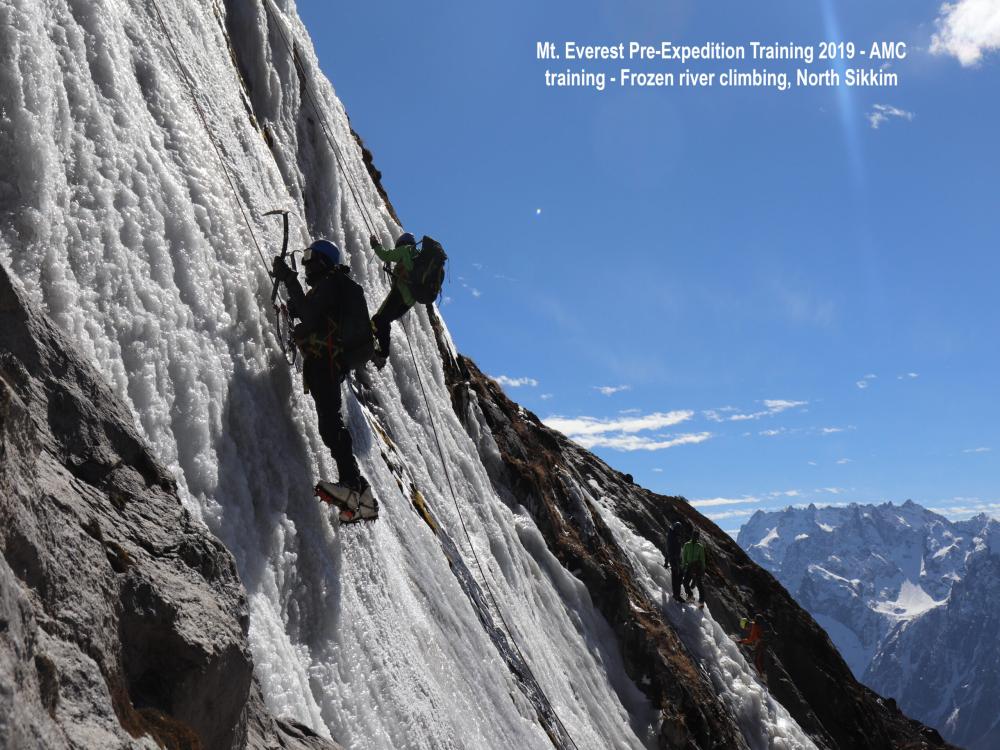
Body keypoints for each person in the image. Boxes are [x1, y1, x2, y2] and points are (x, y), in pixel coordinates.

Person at [272, 240, 378, 523]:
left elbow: (309, 313)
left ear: (322, 261)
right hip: (331, 363)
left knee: (330, 425)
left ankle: (351, 488)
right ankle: (364, 499)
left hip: (325, 363)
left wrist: (288, 278)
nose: (305, 263)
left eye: (309, 257)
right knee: (331, 423)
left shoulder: (331, 284)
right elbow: (311, 313)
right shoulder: (331, 289)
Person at [369, 232, 420, 367]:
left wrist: (375, 245)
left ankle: (374, 349)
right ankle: (380, 352)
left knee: (378, 319)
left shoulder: (405, 250)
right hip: (408, 303)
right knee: (384, 321)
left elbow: (385, 255)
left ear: (401, 243)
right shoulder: (418, 257)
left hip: (399, 294)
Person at [681, 529, 707, 605]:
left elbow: (702, 558)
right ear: (692, 536)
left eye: (697, 536)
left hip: (697, 567)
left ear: (698, 537)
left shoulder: (700, 546)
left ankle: (701, 601)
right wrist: (684, 565)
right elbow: (684, 556)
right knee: (685, 582)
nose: (695, 537)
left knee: (699, 585)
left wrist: (703, 569)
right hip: (689, 566)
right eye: (694, 535)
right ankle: (690, 595)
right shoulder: (687, 545)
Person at [666, 521, 688, 602]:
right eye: (679, 529)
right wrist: (668, 560)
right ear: (676, 529)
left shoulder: (674, 536)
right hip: (674, 559)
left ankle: (677, 594)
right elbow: (669, 549)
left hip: (676, 559)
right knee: (676, 577)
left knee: (678, 576)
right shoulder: (672, 537)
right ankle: (676, 595)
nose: (680, 531)